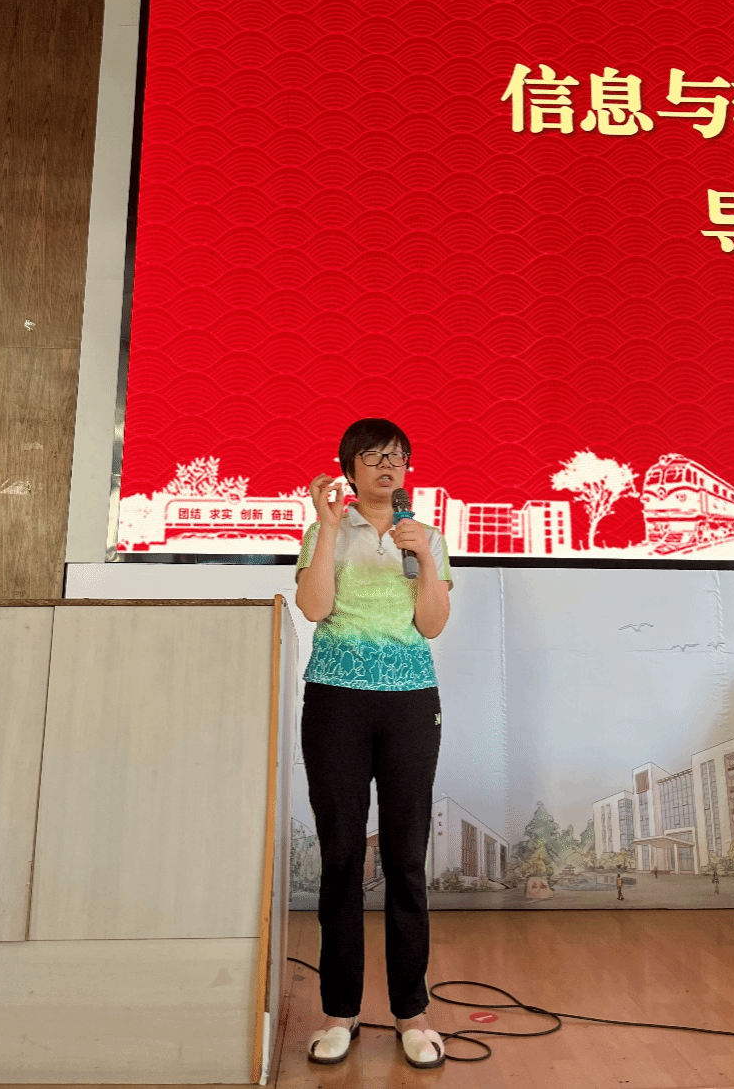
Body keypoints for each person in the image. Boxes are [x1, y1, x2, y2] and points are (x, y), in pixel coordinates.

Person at [295, 418, 453, 1069]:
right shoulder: (325, 530)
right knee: (340, 859)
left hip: (410, 703)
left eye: (397, 457)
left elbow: (432, 625)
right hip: (336, 700)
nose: (387, 466)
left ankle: (412, 1014)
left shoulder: (427, 535)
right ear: (349, 470)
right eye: (372, 456)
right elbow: (313, 607)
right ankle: (340, 1012)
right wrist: (329, 528)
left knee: (407, 859)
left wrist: (426, 562)